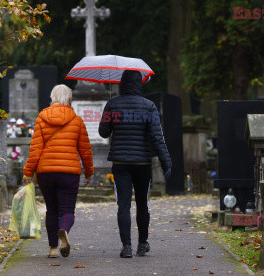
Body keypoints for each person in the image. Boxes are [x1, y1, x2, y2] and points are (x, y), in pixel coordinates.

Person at [99, 70, 172, 258]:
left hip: (120, 163)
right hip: (142, 163)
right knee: (142, 204)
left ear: (122, 83)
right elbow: (157, 137)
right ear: (139, 84)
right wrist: (166, 162)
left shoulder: (112, 104)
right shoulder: (149, 106)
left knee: (123, 205)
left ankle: (127, 247)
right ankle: (142, 244)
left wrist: (110, 112)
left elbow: (103, 133)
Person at [22, 84, 94, 258]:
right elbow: (85, 150)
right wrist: (89, 171)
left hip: (46, 173)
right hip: (69, 173)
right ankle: (64, 230)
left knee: (52, 211)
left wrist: (28, 172)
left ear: (52, 98)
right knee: (67, 210)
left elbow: (35, 149)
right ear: (69, 99)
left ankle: (53, 248)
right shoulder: (76, 120)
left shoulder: (41, 118)